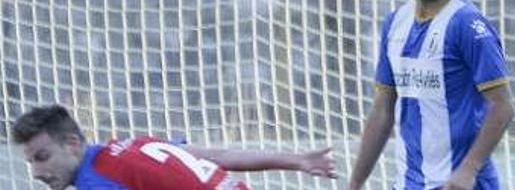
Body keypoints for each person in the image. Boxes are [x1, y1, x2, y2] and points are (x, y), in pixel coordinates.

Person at [347, 0, 515, 190]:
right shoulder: (395, 23)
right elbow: (383, 110)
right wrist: (355, 183)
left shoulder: (467, 25)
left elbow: (503, 107)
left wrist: (467, 170)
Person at [13, 104, 338, 190]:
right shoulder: (133, 145)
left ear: (72, 144)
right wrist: (295, 160)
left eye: (43, 157)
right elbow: (217, 156)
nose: (38, 172)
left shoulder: (95, 182)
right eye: (31, 162)